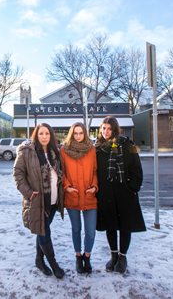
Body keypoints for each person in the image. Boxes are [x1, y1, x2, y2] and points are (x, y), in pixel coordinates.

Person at [13, 123, 65, 279]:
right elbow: (18, 174)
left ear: (51, 136)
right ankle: (54, 264)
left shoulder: (54, 152)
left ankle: (39, 260)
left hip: (53, 201)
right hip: (37, 200)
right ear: (36, 134)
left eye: (47, 134)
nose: (44, 136)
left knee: (42, 229)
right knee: (44, 232)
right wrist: (29, 193)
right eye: (41, 133)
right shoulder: (27, 151)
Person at [95, 116, 146, 273]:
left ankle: (123, 257)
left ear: (115, 130)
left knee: (125, 226)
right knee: (110, 225)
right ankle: (114, 256)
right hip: (106, 194)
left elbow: (137, 169)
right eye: (103, 128)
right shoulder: (98, 147)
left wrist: (132, 188)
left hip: (125, 193)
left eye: (109, 129)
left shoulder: (127, 144)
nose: (106, 132)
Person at [60, 122, 98, 274]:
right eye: (75, 133)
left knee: (90, 232)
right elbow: (61, 171)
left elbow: (95, 171)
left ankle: (87, 256)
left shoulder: (92, 150)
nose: (78, 136)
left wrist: (95, 186)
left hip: (89, 196)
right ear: (71, 134)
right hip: (72, 196)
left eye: (80, 133)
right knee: (76, 229)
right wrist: (67, 186)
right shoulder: (64, 150)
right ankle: (77, 257)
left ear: (85, 134)